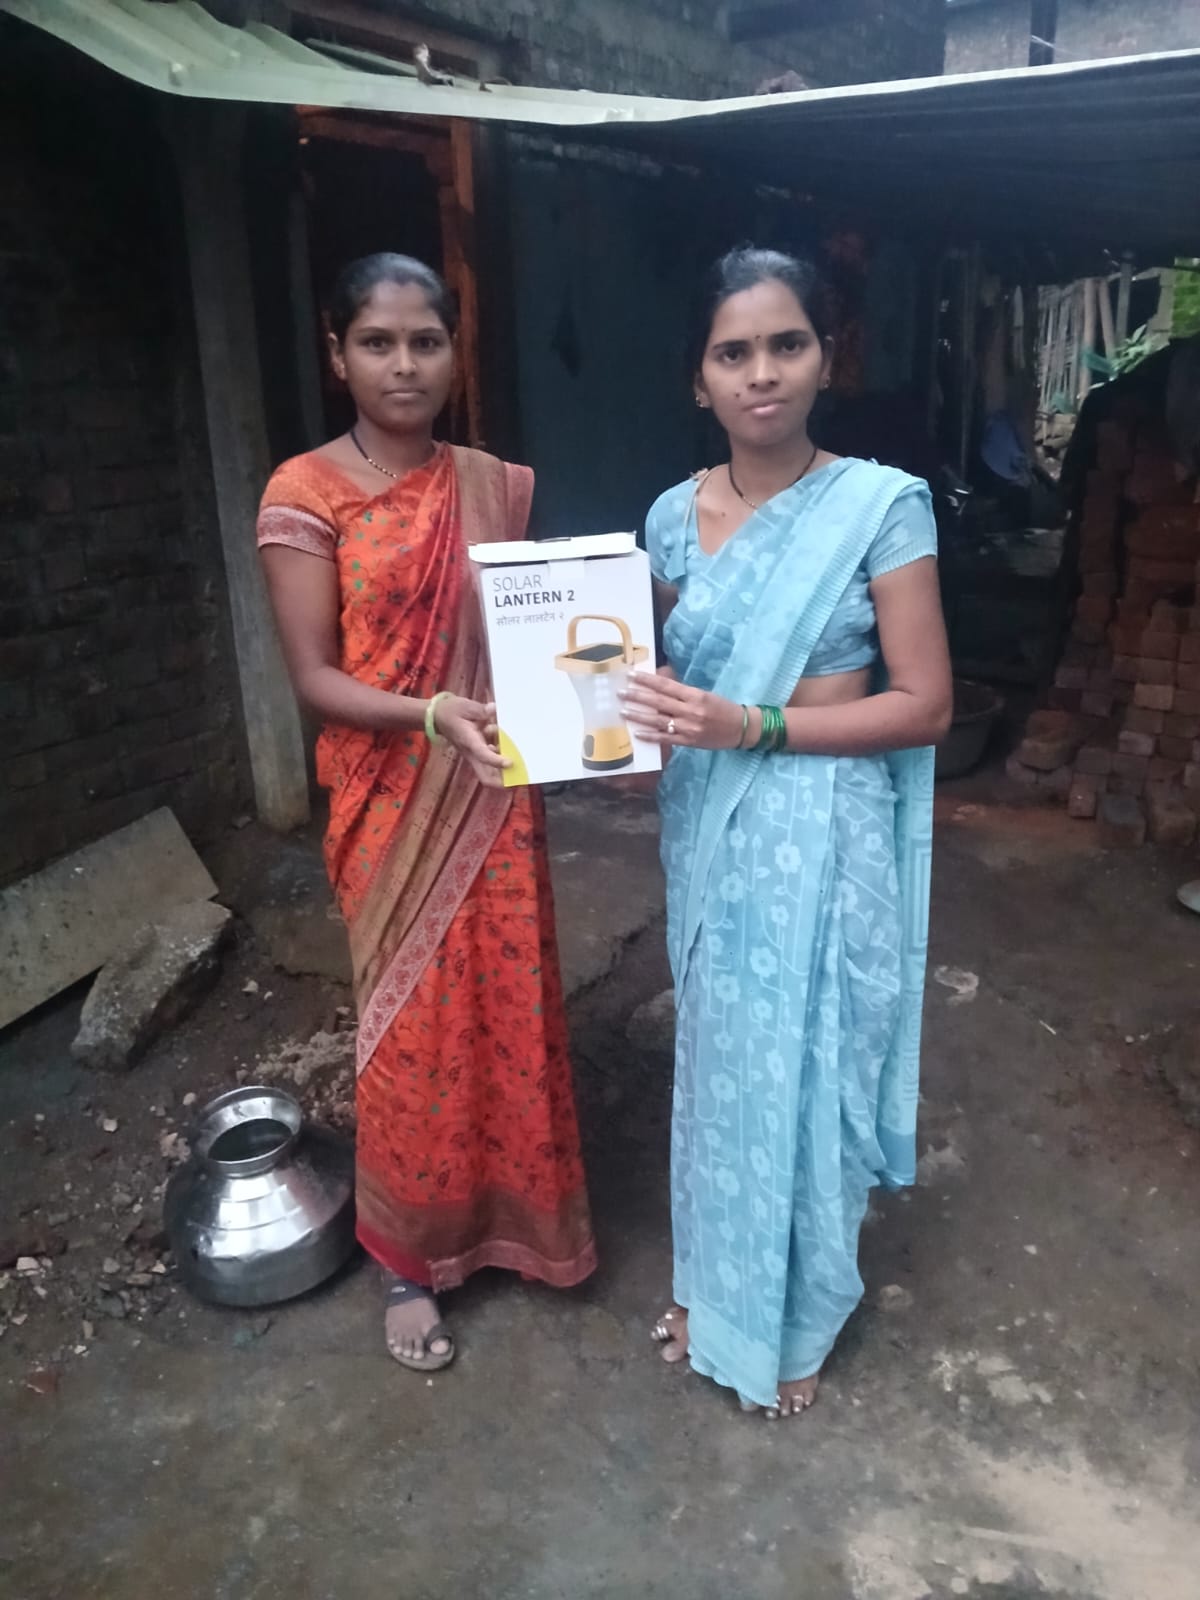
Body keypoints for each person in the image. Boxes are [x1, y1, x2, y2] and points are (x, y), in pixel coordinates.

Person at [621, 247, 951, 1419]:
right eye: (734, 352)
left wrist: (751, 723)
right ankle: (717, 1292)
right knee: (724, 1066)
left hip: (826, 825)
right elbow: (655, 670)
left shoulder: (883, 506)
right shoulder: (669, 519)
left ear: (825, 357)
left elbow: (925, 704)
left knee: (813, 1064)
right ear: (698, 377)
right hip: (711, 825)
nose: (761, 372)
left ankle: (800, 1314)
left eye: (786, 344)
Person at [257, 253, 595, 1373]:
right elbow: (315, 676)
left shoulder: (494, 484)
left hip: (494, 784)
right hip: (390, 800)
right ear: (337, 354)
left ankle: (520, 1223)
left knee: (509, 1007)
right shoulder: (305, 493)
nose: (404, 364)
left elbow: (540, 625)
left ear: (455, 351)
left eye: (426, 341)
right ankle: (411, 1259)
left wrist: (621, 628)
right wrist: (429, 712)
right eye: (378, 342)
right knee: (413, 1030)